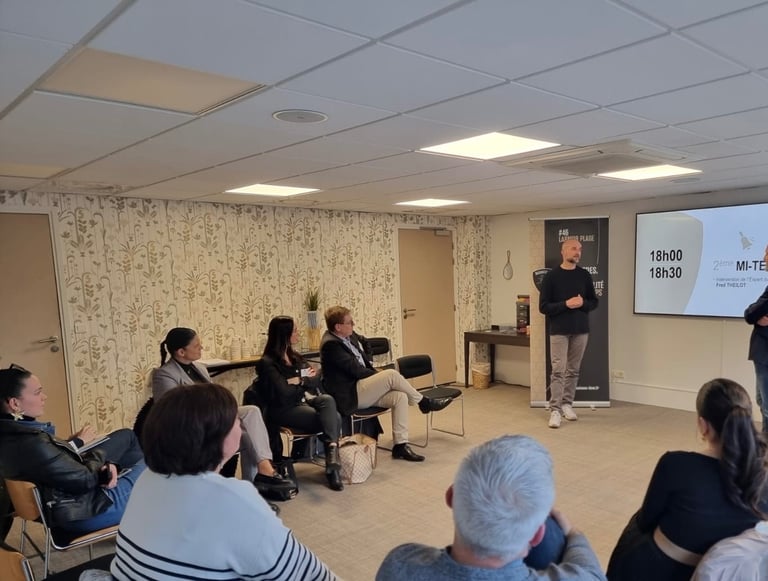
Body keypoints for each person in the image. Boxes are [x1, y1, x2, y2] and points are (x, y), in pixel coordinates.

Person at [110, 383, 338, 580]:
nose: (240, 424)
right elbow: (308, 575)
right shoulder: (232, 499)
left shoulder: (147, 478)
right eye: (235, 420)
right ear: (216, 436)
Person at [376, 434, 605, 580]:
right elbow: (592, 573)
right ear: (537, 535)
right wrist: (573, 533)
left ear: (451, 496)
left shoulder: (399, 565)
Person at [607, 378, 768, 581]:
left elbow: (646, 521)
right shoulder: (762, 477)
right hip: (727, 575)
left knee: (636, 524)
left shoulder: (676, 464)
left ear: (703, 425)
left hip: (662, 570)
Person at [0, 365, 145, 535]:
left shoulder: (11, 434)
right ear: (15, 403)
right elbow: (86, 479)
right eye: (37, 393)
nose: (44, 397)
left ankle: (137, 507)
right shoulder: (32, 443)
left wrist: (77, 447)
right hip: (87, 512)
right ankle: (141, 510)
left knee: (127, 436)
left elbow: (55, 464)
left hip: (70, 505)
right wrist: (104, 461)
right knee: (159, 461)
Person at [152, 327, 283, 487]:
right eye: (196, 345)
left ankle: (257, 478)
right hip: (194, 425)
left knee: (252, 415)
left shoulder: (200, 368)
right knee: (246, 435)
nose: (201, 347)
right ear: (181, 352)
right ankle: (262, 476)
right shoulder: (164, 374)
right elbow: (171, 411)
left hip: (215, 415)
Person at [320, 306, 452, 463]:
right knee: (391, 375)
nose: (353, 324)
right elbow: (356, 371)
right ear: (338, 327)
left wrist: (372, 366)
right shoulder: (331, 345)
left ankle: (400, 446)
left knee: (400, 397)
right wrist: (379, 375)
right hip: (350, 394)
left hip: (362, 388)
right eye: (349, 322)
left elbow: (364, 350)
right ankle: (424, 402)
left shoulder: (349, 335)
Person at [255, 315, 344, 491]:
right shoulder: (267, 363)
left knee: (327, 400)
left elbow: (316, 377)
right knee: (335, 418)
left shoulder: (294, 356)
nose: (299, 333)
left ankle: (332, 457)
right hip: (283, 410)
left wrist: (298, 381)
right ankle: (332, 467)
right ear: (284, 334)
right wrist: (303, 382)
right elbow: (283, 393)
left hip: (302, 402)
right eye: (295, 331)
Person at [538, 239, 598, 429]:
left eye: (580, 249)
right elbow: (543, 307)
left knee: (573, 370)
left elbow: (594, 302)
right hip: (559, 331)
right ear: (563, 251)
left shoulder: (584, 275)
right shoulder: (551, 277)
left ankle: (567, 404)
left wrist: (582, 303)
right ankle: (555, 410)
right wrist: (566, 304)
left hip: (581, 330)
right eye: (573, 248)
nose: (578, 252)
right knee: (558, 371)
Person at [744, 243, 768, 434]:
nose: (764, 258)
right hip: (762, 353)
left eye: (767, 254)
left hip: (765, 353)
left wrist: (754, 316)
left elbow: (750, 314)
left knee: (766, 404)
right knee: (761, 400)